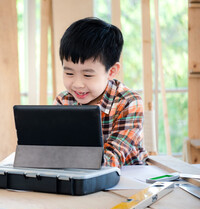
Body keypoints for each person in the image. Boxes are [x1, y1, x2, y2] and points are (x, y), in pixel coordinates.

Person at [54, 17, 148, 168]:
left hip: (128, 178)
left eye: (88, 75)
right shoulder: (64, 101)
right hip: (80, 175)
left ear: (111, 71)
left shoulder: (129, 102)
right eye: (69, 73)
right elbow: (56, 148)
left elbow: (113, 158)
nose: (77, 84)